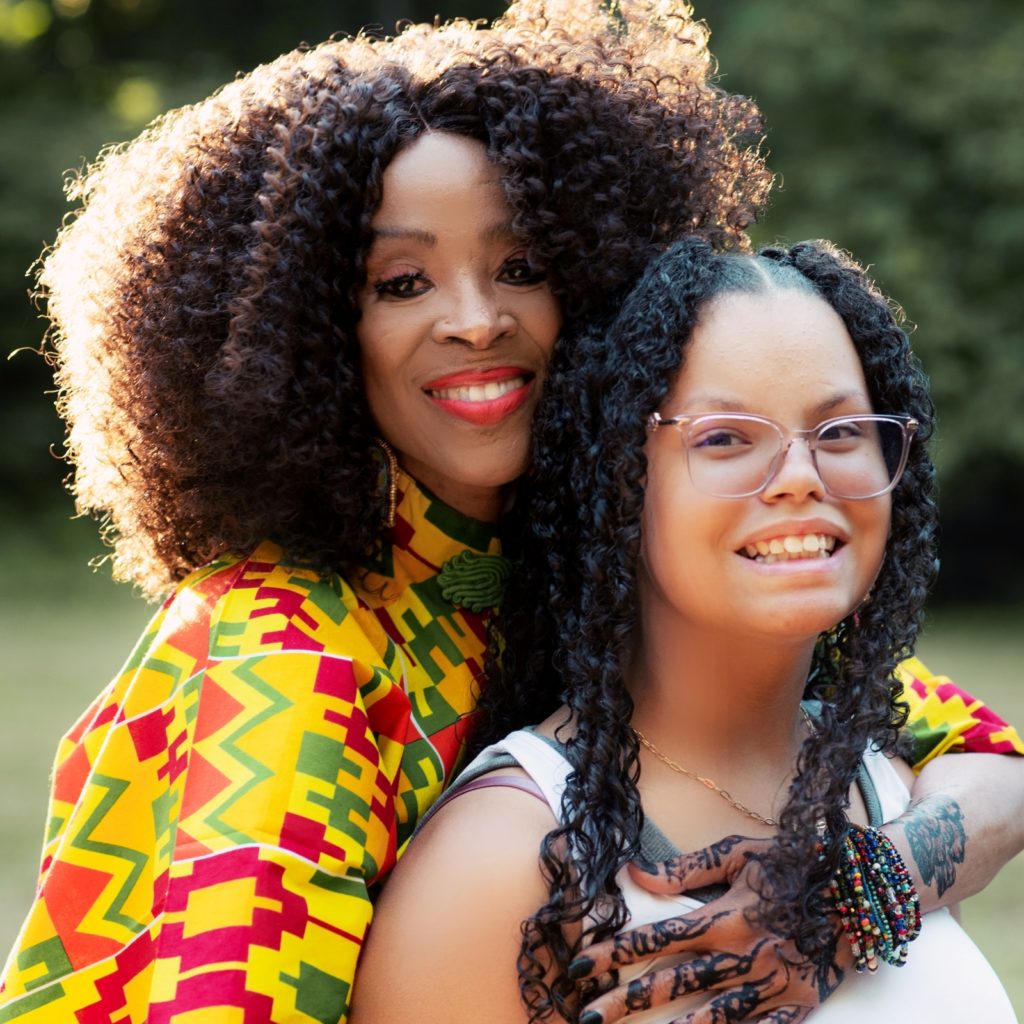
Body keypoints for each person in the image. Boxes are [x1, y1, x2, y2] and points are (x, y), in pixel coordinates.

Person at [0, 3, 1020, 1023]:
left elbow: (983, 757)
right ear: (298, 332)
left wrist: (856, 889)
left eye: (521, 267)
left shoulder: (581, 568)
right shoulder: (286, 648)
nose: (477, 318)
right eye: (400, 282)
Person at [351, 238, 1019, 1024]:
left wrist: (862, 887)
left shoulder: (888, 797)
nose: (803, 476)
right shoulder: (500, 864)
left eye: (840, 432)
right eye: (725, 437)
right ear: (618, 487)